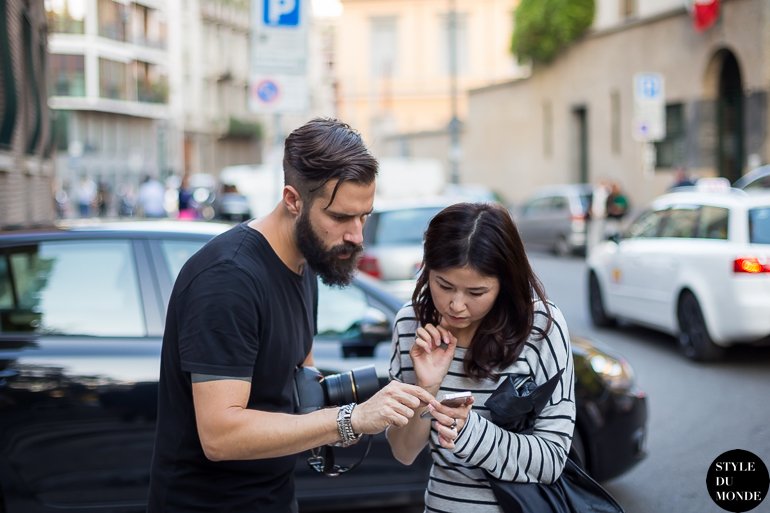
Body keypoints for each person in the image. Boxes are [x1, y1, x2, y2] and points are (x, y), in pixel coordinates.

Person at [147, 118, 435, 513]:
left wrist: (396, 399)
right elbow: (220, 434)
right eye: (339, 218)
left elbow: (299, 385)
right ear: (292, 199)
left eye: (364, 215)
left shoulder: (304, 267)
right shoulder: (228, 279)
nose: (357, 236)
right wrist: (352, 418)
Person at [386, 202, 576, 513]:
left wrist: (472, 432)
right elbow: (403, 452)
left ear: (504, 284)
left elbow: (552, 459)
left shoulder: (541, 326)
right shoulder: (412, 325)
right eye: (444, 285)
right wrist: (426, 388)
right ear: (427, 270)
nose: (456, 305)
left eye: (476, 293)